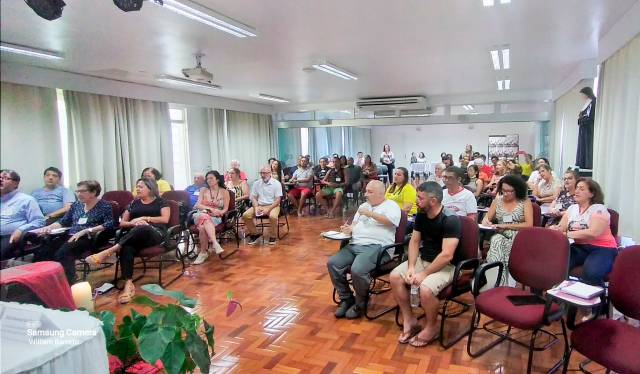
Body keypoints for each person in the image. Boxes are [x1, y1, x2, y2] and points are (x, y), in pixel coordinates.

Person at [389, 181, 462, 347]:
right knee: (394, 277)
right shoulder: (421, 215)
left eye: (420, 198)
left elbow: (446, 255)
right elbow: (414, 242)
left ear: (433, 201)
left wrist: (423, 274)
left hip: (447, 266)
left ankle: (431, 327)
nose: (416, 201)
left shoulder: (451, 220)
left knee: (426, 290)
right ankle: (410, 320)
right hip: (425, 260)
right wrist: (411, 267)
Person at [86, 178, 170, 303]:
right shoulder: (133, 203)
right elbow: (122, 223)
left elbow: (165, 219)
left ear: (150, 188)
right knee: (127, 247)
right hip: (134, 234)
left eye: (141, 187)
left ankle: (111, 250)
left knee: (142, 227)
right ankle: (128, 284)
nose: (137, 189)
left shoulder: (161, 202)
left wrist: (145, 218)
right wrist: (133, 223)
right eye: (137, 186)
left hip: (154, 233)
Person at [327, 180, 401, 319]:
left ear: (381, 193)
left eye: (370, 192)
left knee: (358, 270)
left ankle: (361, 303)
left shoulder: (391, 205)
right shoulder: (364, 205)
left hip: (377, 246)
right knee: (333, 263)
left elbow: (391, 221)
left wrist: (369, 214)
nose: (365, 194)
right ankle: (347, 298)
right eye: (365, 191)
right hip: (355, 244)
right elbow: (354, 224)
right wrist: (348, 229)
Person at [34, 180, 115, 282]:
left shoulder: (104, 205)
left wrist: (87, 230)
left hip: (88, 238)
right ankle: (43, 280)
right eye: (77, 191)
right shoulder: (76, 205)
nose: (79, 194)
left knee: (63, 252)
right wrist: (49, 227)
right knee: (44, 250)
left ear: (93, 192)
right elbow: (63, 221)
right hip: (71, 235)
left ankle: (68, 280)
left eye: (82, 191)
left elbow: (109, 224)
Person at [550, 179, 617, 285]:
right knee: (556, 264)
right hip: (579, 246)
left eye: (581, 189)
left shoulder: (599, 209)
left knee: (591, 274)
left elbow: (594, 232)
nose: (577, 191)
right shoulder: (572, 208)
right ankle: (562, 295)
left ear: (591, 194)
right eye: (576, 188)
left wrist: (567, 234)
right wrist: (555, 229)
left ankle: (597, 299)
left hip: (602, 248)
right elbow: (561, 227)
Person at [482, 175, 534, 286]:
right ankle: (501, 281)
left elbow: (529, 225)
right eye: (503, 190)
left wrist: (506, 226)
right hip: (501, 234)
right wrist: (486, 221)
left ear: (517, 190)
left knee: (497, 241)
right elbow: (486, 218)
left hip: (519, 236)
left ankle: (499, 281)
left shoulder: (525, 201)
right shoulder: (498, 201)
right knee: (497, 240)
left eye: (510, 191)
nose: (506, 193)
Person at [0, 169, 46, 260]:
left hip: (11, 235)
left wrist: (20, 230)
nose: (1, 180)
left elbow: (39, 221)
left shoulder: (26, 200)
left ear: (16, 184)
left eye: (5, 178)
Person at [192, 171, 230, 265]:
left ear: (217, 179)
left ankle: (203, 253)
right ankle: (215, 243)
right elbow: (198, 205)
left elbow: (225, 208)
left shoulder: (224, 192)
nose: (208, 180)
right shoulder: (203, 190)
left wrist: (219, 213)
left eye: (211, 178)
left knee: (202, 228)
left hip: (215, 217)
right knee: (204, 216)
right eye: (207, 178)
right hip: (200, 214)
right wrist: (210, 209)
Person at [243, 166, 283, 245]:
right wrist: (256, 207)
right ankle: (255, 234)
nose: (262, 175)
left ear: (270, 173)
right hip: (259, 205)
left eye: (264, 173)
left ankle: (273, 236)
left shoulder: (276, 183)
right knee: (246, 215)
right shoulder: (256, 183)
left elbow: (278, 200)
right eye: (261, 173)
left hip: (273, 206)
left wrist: (268, 209)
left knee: (273, 216)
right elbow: (253, 197)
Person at [576, 87, 596, 169]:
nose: (582, 97)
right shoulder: (588, 103)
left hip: (588, 128)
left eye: (583, 95)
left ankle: (587, 164)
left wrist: (581, 119)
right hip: (584, 127)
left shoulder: (592, 102)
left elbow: (589, 116)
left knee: (587, 146)